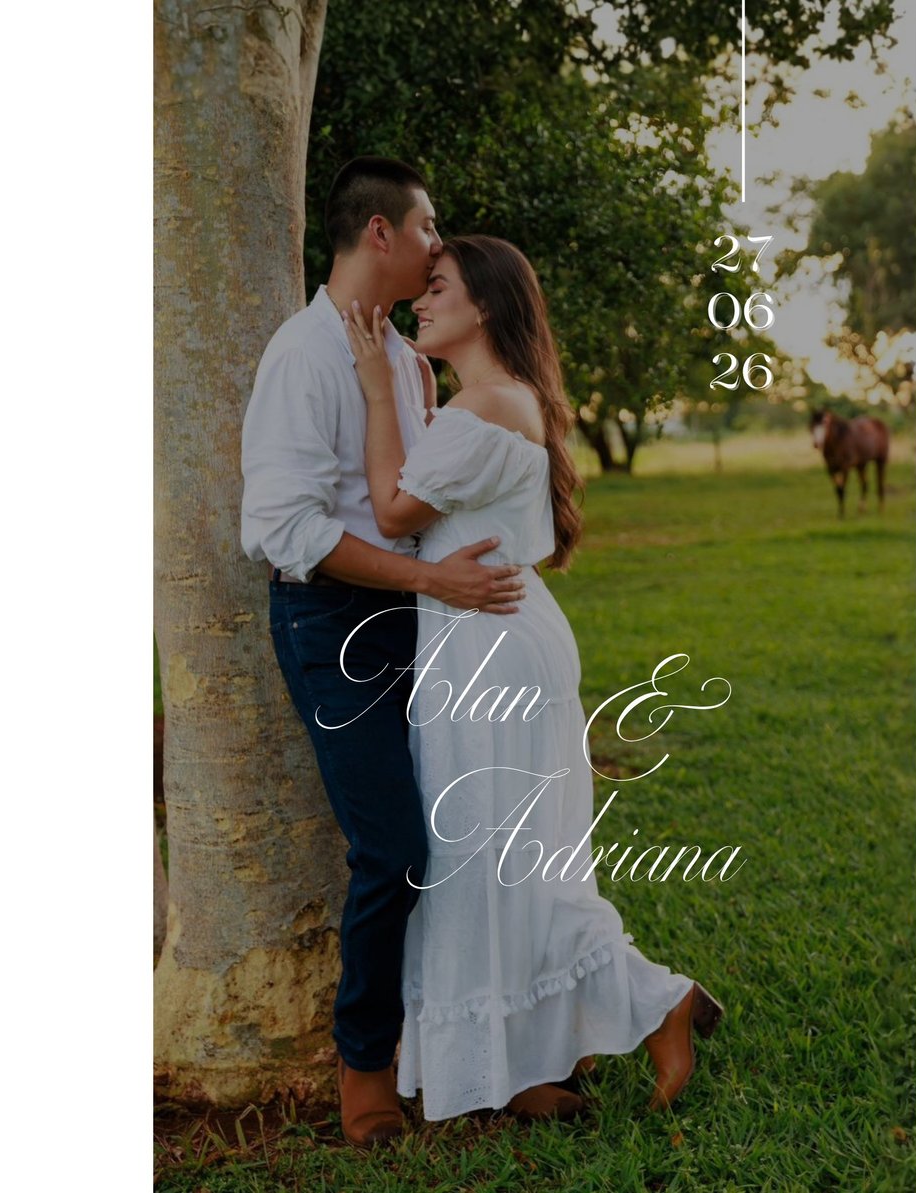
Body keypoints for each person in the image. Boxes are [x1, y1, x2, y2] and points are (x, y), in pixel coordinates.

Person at [338, 234, 725, 1124]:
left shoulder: (492, 405)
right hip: (489, 634)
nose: (419, 303)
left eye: (437, 288)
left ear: (486, 304)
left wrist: (375, 390)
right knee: (497, 864)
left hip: (489, 647)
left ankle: (654, 996)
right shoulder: (487, 402)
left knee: (492, 863)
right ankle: (523, 1066)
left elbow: (395, 510)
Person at [239, 158, 528, 1148]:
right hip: (333, 621)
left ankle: (496, 1047)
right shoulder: (304, 354)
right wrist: (428, 581)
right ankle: (364, 1061)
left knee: (475, 833)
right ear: (380, 235)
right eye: (428, 226)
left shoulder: (404, 359)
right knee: (395, 850)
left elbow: (415, 495)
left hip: (426, 618)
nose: (439, 244)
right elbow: (285, 528)